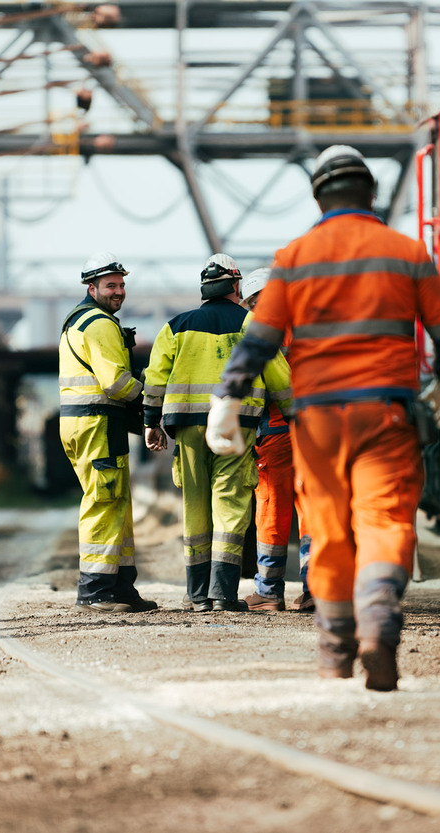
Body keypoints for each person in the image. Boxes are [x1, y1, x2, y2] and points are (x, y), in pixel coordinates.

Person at [207, 146, 440, 690]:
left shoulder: (295, 257)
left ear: (318, 197)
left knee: (326, 528)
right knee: (385, 521)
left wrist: (228, 399)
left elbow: (260, 338)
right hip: (387, 414)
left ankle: (335, 646)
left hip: (318, 420)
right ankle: (378, 624)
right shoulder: (406, 252)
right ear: (371, 194)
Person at [142, 254, 293, 613]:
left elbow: (155, 376)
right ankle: (222, 593)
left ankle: (197, 595)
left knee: (195, 507)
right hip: (234, 426)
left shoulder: (176, 326)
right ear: (236, 286)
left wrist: (151, 421)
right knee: (230, 504)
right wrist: (293, 414)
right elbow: (278, 375)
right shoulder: (251, 323)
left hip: (187, 428)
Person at [59, 251, 158, 613]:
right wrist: (151, 398)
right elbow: (115, 382)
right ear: (92, 288)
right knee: (103, 501)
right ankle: (95, 591)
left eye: (121, 284)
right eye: (110, 285)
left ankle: (120, 586)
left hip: (91, 423)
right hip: (97, 424)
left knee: (116, 501)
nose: (118, 291)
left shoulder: (79, 320)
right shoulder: (99, 323)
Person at [238, 267, 314, 613]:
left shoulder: (261, 330)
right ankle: (316, 589)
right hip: (312, 431)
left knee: (271, 510)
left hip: (276, 430)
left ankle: (268, 592)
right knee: (312, 509)